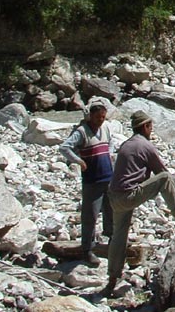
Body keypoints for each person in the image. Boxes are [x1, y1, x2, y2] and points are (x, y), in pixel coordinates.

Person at [101, 110, 175, 297]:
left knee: (118, 236)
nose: (151, 130)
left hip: (114, 198)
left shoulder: (126, 144)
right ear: (145, 127)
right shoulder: (145, 146)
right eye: (150, 126)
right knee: (163, 178)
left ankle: (112, 280)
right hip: (129, 195)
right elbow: (162, 173)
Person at [59, 100, 114, 266]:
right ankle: (87, 250)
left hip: (108, 177)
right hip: (92, 180)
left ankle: (112, 241)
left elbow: (110, 142)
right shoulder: (81, 132)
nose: (100, 120)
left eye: (103, 117)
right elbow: (64, 147)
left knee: (111, 211)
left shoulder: (105, 128)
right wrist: (79, 161)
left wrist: (109, 154)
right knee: (90, 215)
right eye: (97, 117)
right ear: (90, 116)